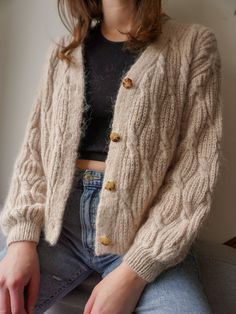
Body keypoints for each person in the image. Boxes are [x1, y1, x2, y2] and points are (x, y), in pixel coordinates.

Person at [0, 0, 223, 313]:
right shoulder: (64, 52)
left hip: (144, 228)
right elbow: (34, 151)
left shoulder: (194, 45)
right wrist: (22, 240)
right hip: (59, 226)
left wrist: (134, 272)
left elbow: (194, 172)